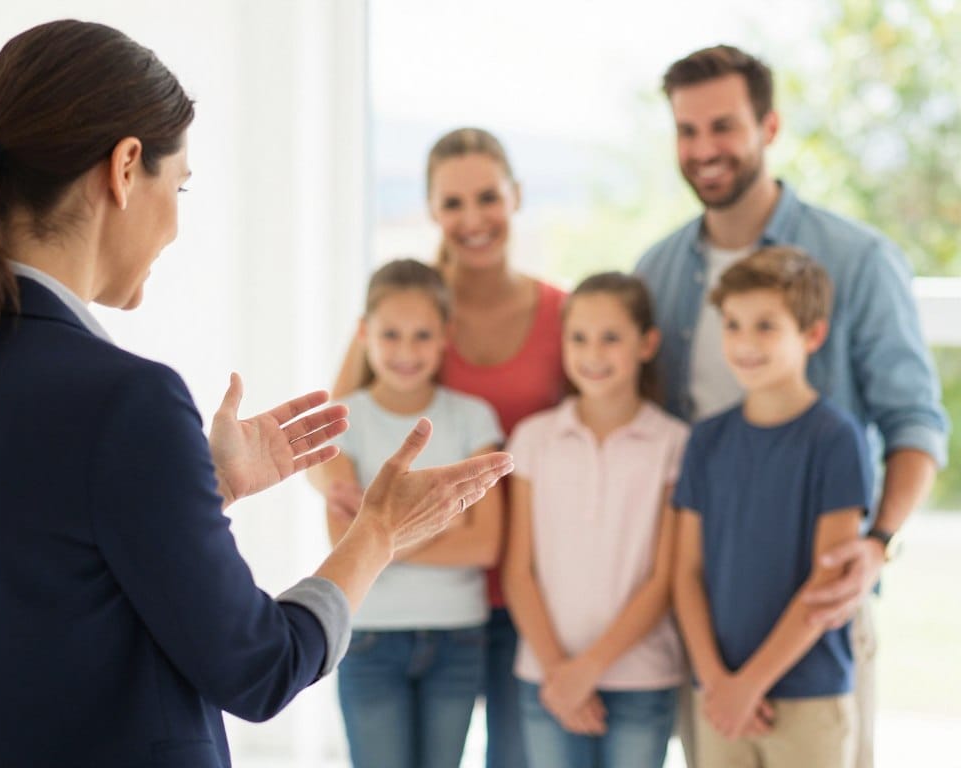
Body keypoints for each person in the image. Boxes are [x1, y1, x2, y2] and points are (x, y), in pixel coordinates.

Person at [0, 20, 513, 768]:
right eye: (178, 187)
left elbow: (37, 573)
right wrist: (379, 534)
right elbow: (261, 666)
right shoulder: (126, 401)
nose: (175, 224)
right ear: (124, 168)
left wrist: (199, 488)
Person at [635, 44, 948, 768]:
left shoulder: (859, 259)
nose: (703, 149)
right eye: (687, 131)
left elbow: (916, 422)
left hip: (816, 608)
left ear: (769, 127)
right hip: (707, 614)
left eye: (723, 127)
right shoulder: (655, 270)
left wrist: (878, 543)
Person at [330, 127, 567, 768]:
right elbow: (332, 436)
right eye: (453, 203)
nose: (472, 219)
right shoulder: (408, 308)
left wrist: (394, 541)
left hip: (532, 590)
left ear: (515, 196)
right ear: (433, 209)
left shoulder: (562, 315)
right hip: (426, 599)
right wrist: (361, 518)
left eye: (487, 197)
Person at [672, 245, 873, 767]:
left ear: (812, 335)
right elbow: (685, 573)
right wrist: (718, 682)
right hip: (716, 694)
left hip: (809, 695)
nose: (744, 343)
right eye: (733, 325)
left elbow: (827, 581)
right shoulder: (706, 441)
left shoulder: (835, 440)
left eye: (766, 326)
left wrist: (750, 684)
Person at [308, 258, 505, 768]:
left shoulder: (471, 417)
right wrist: (449, 517)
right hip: (369, 636)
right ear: (363, 333)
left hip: (457, 633)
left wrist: (384, 533)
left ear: (447, 336)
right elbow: (343, 544)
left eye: (422, 336)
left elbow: (485, 543)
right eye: (390, 335)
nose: (405, 351)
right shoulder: (343, 421)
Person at [503, 272, 688, 768]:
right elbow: (518, 570)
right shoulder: (533, 439)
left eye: (611, 338)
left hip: (642, 678)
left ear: (647, 343)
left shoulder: (674, 443)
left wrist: (589, 669)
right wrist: (560, 673)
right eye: (579, 338)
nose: (594, 353)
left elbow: (665, 578)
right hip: (546, 675)